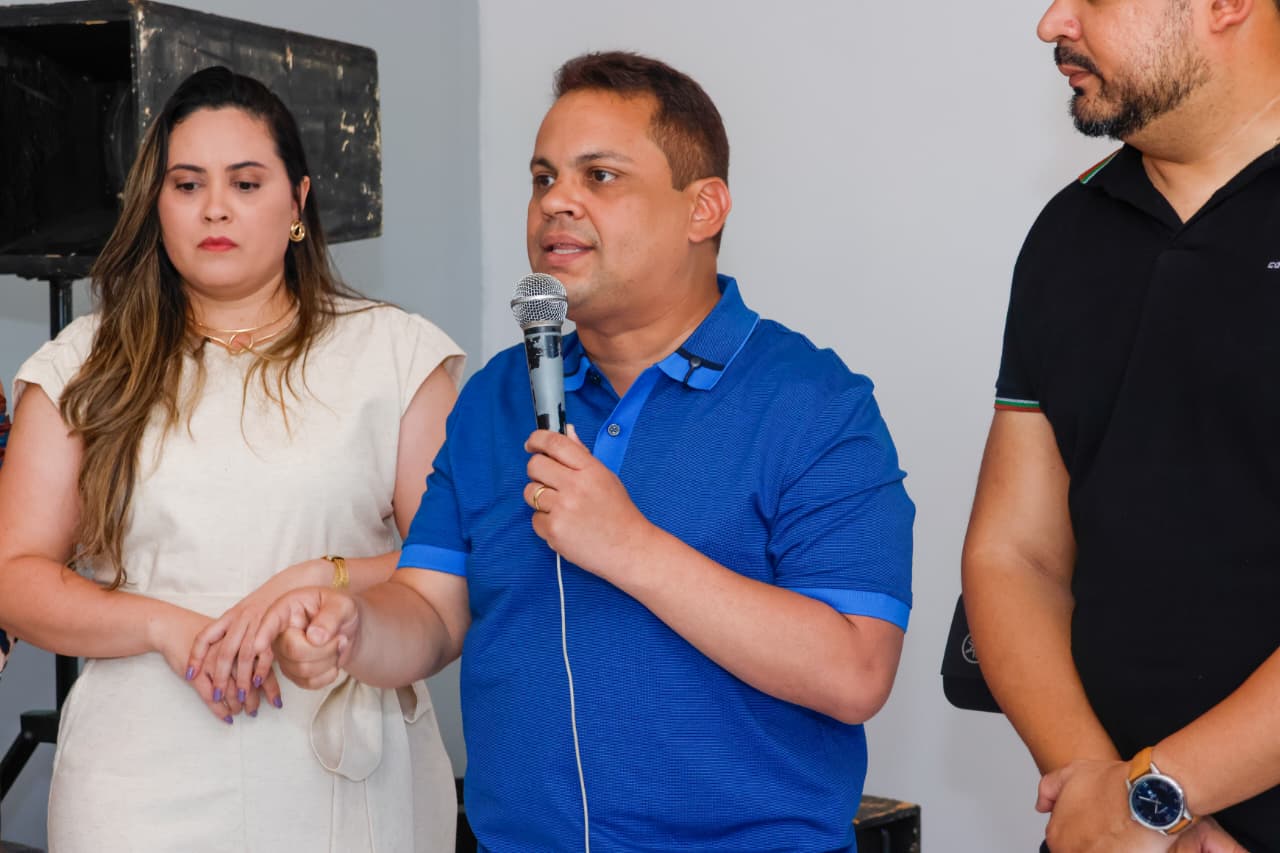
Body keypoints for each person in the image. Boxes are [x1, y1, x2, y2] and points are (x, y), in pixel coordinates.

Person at [254, 51, 914, 851]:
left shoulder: (814, 403)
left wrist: (628, 545)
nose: (555, 202)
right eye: (543, 178)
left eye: (599, 176)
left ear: (703, 208)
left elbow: (855, 670)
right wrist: (354, 629)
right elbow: (429, 609)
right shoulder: (497, 397)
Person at [0, 66, 463, 851]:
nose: (215, 207)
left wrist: (323, 580)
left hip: (340, 757)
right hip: (141, 770)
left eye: (246, 183)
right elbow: (14, 575)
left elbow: (454, 568)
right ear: (156, 205)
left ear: (298, 201)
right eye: (187, 185)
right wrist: (165, 626)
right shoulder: (82, 364)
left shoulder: (394, 353)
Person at [961, 0, 1280, 849]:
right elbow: (1014, 555)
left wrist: (1161, 792)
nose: (1052, 23)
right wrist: (1110, 802)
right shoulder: (1067, 232)